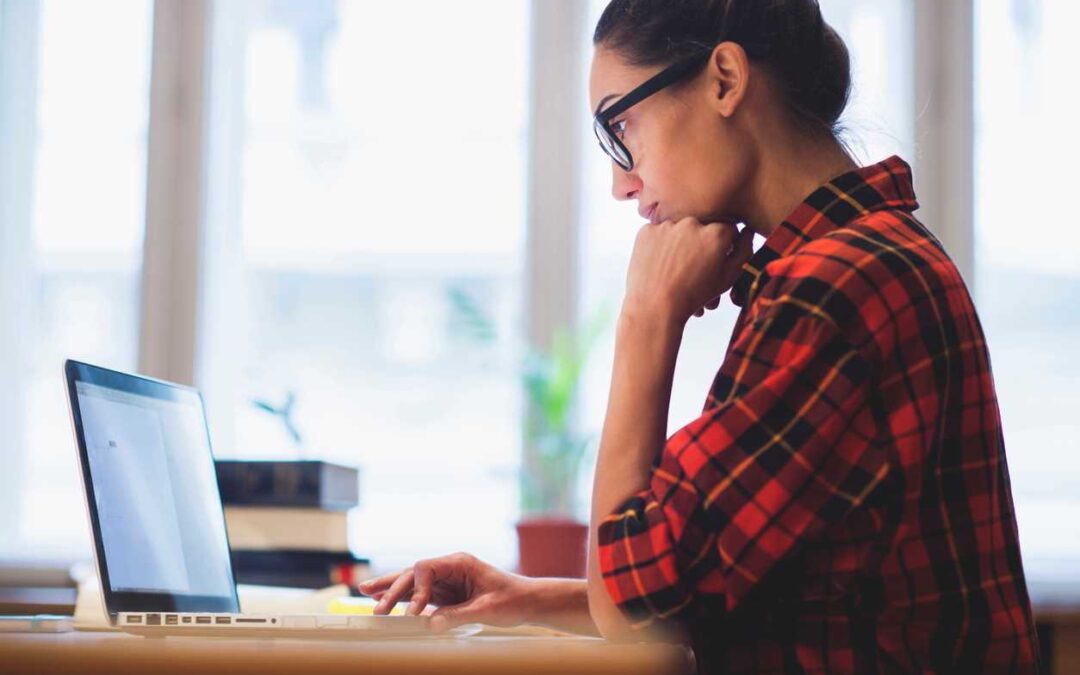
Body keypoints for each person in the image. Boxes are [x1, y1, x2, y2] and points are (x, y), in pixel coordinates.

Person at [359, 0, 1040, 671]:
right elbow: (720, 588)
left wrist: (646, 319)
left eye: (622, 125)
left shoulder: (833, 290)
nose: (622, 183)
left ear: (724, 79)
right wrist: (526, 596)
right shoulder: (863, 257)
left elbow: (633, 612)